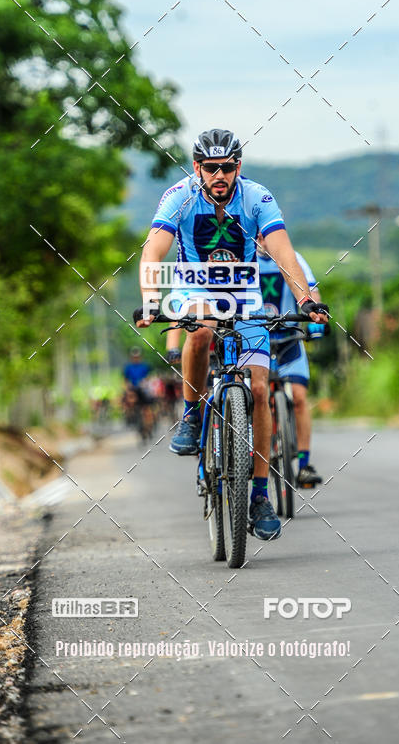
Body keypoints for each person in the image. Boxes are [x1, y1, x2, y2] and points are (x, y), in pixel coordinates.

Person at [134, 128, 329, 541]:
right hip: (194, 285)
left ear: (238, 167)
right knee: (201, 331)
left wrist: (306, 300)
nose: (219, 175)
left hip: (245, 290)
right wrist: (152, 300)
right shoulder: (179, 196)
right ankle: (191, 415)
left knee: (261, 389)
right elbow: (153, 250)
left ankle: (259, 494)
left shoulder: (257, 197)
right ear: (197, 168)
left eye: (227, 167)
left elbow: (282, 251)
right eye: (211, 168)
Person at [257, 231, 324, 488]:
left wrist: (315, 319)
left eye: (267, 236)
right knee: (255, 395)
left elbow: (312, 289)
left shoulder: (291, 257)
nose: (263, 242)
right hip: (256, 340)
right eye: (258, 236)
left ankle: (304, 464)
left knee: (298, 397)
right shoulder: (244, 259)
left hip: (288, 339)